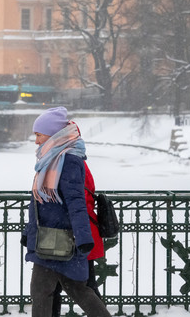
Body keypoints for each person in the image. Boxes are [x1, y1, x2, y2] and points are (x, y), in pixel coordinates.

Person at [23, 106, 111, 317]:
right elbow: (38, 203)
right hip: (46, 238)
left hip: (65, 241)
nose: (36, 141)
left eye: (39, 135)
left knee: (78, 291)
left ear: (52, 134)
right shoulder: (48, 159)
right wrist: (28, 232)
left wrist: (83, 238)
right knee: (41, 291)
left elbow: (76, 202)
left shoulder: (68, 160)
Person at [51, 141, 105, 317]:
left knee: (81, 286)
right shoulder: (76, 161)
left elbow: (76, 201)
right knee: (83, 285)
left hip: (75, 233)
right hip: (79, 231)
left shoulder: (70, 162)